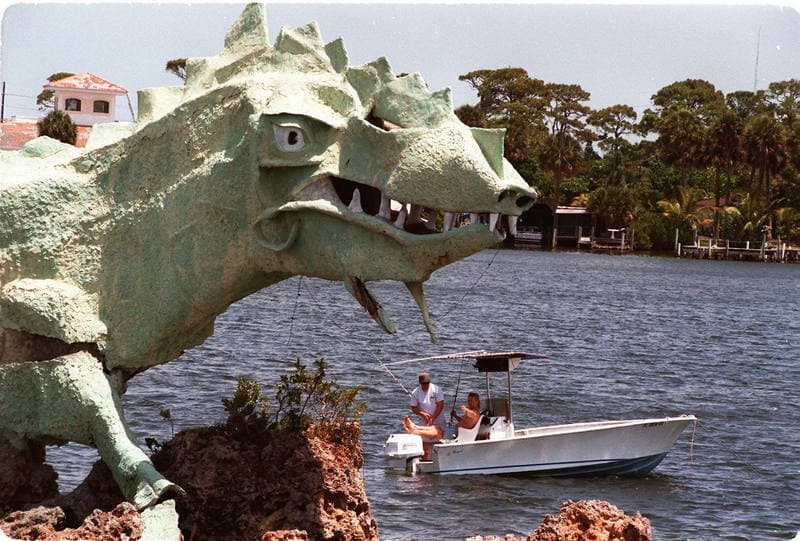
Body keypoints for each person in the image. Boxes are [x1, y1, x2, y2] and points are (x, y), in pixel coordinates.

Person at [404, 392, 481, 440]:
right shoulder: (471, 411)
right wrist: (455, 416)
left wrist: (466, 410)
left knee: (438, 432)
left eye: (472, 401)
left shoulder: (476, 413)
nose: (469, 402)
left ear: (477, 401)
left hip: (458, 433)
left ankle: (414, 431)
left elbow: (472, 415)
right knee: (435, 427)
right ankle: (414, 426)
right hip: (454, 429)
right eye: (468, 400)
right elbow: (465, 422)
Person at [409, 372, 445, 436]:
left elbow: (440, 405)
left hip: (439, 421)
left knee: (437, 433)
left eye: (427, 383)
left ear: (430, 382)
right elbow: (413, 408)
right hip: (424, 421)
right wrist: (422, 414)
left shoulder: (437, 390)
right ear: (420, 383)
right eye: (423, 383)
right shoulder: (415, 392)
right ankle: (414, 428)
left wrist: (432, 419)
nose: (425, 385)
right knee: (425, 434)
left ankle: (414, 427)